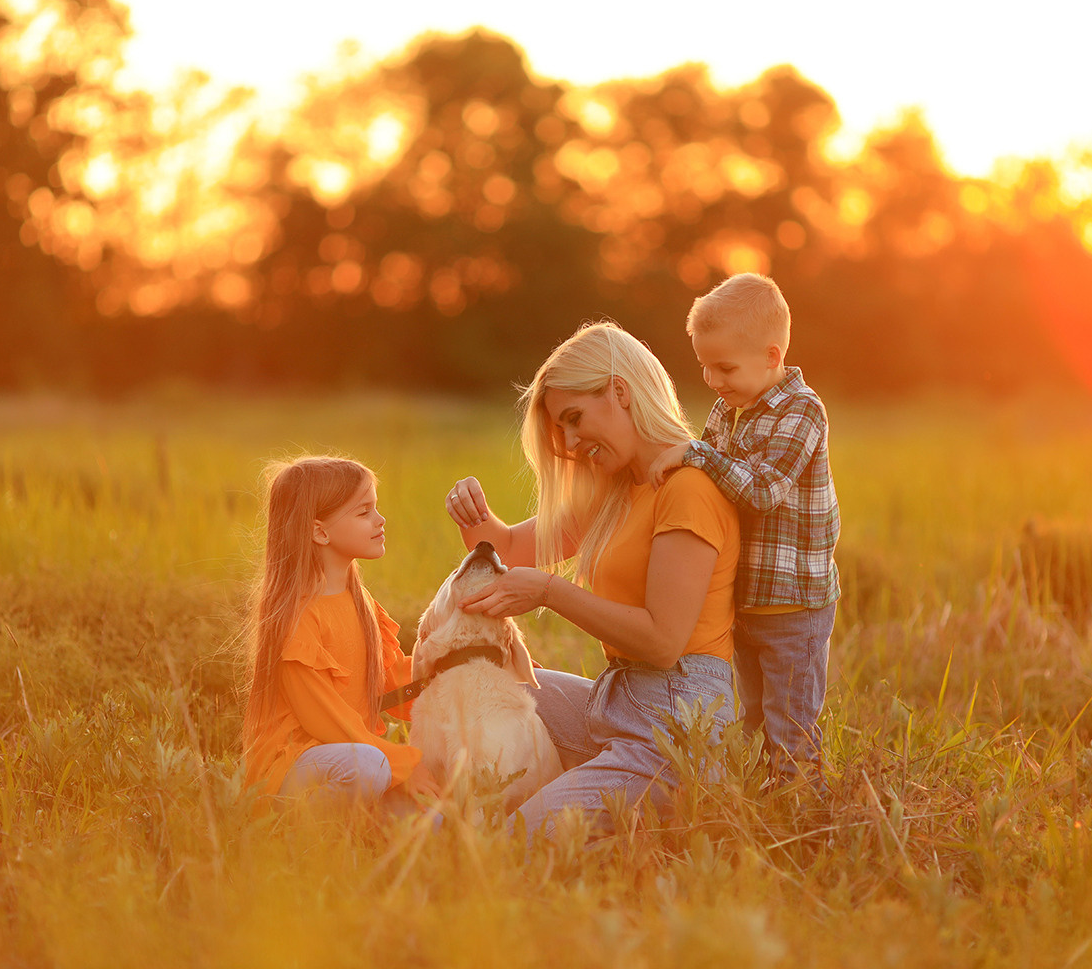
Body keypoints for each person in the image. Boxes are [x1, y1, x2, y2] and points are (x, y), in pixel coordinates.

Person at [445, 322, 739, 841]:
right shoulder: (616, 492)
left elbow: (664, 641)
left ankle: (529, 816)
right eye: (563, 430)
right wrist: (475, 516)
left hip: (679, 727)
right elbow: (509, 548)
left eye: (574, 419)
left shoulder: (687, 489)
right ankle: (444, 801)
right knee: (484, 682)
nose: (572, 443)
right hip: (621, 702)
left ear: (620, 391)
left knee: (513, 845)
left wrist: (550, 592)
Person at [648, 273, 841, 780]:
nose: (713, 380)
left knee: (790, 723)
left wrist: (696, 453)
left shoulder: (802, 412)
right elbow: (713, 487)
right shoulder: (727, 408)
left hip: (795, 601)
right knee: (749, 714)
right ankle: (754, 799)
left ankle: (804, 811)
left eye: (725, 367)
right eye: (705, 367)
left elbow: (763, 491)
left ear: (773, 357)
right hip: (747, 599)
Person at [241, 456, 438, 809]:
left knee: (434, 821)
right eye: (364, 512)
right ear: (320, 531)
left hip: (357, 757)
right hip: (291, 770)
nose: (380, 521)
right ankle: (299, 841)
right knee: (369, 766)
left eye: (375, 509)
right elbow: (331, 724)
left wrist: (464, 667)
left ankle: (362, 829)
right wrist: (404, 764)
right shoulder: (296, 619)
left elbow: (391, 678)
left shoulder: (359, 601)